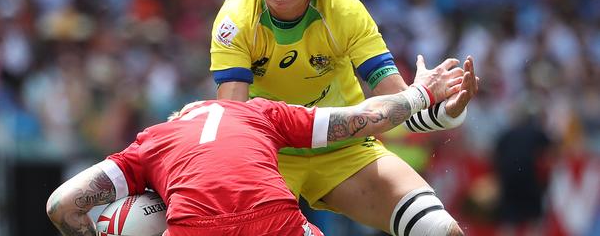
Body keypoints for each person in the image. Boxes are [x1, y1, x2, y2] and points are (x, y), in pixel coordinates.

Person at [209, 0, 479, 235]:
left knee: (442, 230)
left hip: (341, 145)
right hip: (268, 156)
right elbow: (233, 128)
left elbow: (401, 110)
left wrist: (447, 112)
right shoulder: (235, 19)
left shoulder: (344, 9)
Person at [46, 56, 468, 236]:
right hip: (272, 221)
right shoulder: (259, 113)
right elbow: (361, 120)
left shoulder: (153, 140)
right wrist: (421, 94)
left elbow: (62, 205)